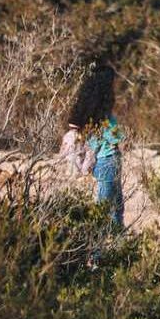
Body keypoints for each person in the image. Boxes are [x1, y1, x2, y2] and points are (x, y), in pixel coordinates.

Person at [66, 62, 125, 227]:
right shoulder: (104, 116)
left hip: (98, 161)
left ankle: (110, 248)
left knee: (107, 210)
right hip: (108, 160)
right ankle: (104, 251)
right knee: (111, 211)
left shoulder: (84, 110)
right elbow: (117, 138)